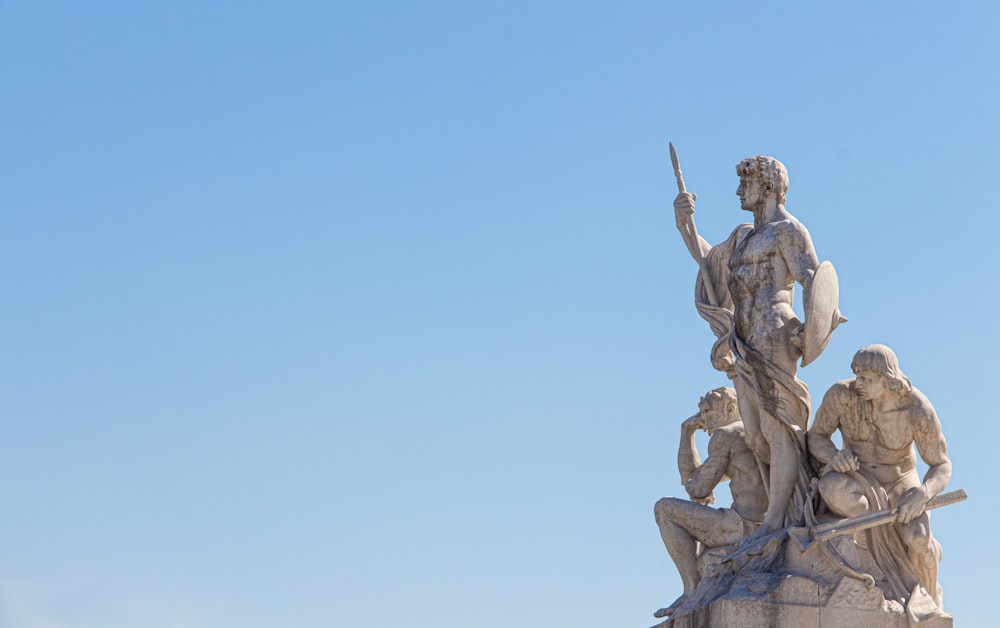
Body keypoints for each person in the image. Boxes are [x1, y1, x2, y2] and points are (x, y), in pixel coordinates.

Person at [673, 156, 836, 542]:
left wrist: (811, 333)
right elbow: (709, 262)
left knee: (778, 429)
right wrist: (684, 225)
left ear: (767, 186)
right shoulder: (743, 236)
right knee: (757, 436)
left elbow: (816, 281)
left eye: (744, 184)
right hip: (744, 339)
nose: (737, 192)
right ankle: (779, 509)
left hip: (774, 332)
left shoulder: (788, 231)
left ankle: (775, 521)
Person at [807, 345, 951, 611]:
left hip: (900, 483)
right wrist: (833, 456)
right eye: (857, 376)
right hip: (856, 480)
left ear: (887, 380)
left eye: (866, 379)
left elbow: (941, 465)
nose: (858, 383)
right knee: (837, 493)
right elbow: (816, 437)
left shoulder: (917, 409)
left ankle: (931, 595)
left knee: (918, 538)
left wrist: (922, 494)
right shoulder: (842, 395)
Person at [653, 387, 767, 618]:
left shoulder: (726, 435)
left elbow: (697, 487)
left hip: (741, 525)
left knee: (664, 508)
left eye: (708, 412)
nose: (704, 420)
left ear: (731, 408)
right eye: (701, 413)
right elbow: (698, 484)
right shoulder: (754, 432)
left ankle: (690, 590)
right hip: (763, 523)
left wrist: (686, 433)